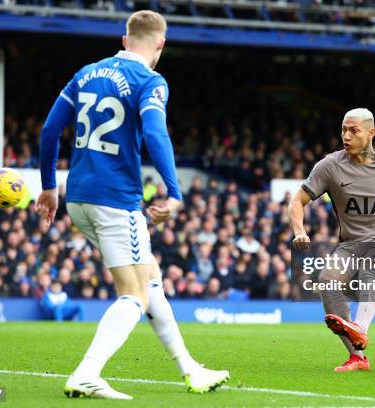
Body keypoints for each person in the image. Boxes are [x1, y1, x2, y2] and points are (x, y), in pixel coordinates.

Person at [36, 10, 229, 400]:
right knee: (134, 295)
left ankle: (190, 368)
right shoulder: (150, 80)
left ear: (125, 40)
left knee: (150, 278)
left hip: (77, 197)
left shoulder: (86, 72)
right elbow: (156, 133)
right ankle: (87, 372)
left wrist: (48, 187)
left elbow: (50, 130)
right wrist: (174, 192)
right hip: (115, 200)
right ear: (161, 43)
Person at [288, 108, 375, 372]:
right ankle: (358, 357)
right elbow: (297, 200)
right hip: (350, 243)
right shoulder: (329, 166)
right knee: (327, 283)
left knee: (369, 272)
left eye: (353, 130)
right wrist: (299, 230)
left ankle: (360, 328)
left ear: (371, 133)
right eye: (343, 130)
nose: (346, 136)